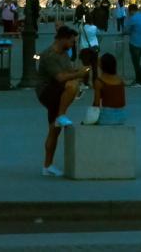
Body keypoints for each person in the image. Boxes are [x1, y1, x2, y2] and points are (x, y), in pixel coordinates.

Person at [36, 26, 90, 176]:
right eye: (72, 42)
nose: (73, 45)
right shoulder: (50, 55)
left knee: (54, 130)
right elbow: (60, 77)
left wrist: (81, 71)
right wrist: (77, 74)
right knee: (72, 85)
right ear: (63, 39)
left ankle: (47, 165)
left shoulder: (64, 54)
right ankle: (61, 115)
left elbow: (69, 71)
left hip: (56, 90)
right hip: (47, 91)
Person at [92, 53, 127, 125]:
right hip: (122, 115)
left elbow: (96, 104)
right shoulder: (120, 80)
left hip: (107, 115)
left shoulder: (99, 81)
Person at [123, 3, 141, 86]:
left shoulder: (133, 18)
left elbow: (125, 30)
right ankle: (139, 80)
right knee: (137, 62)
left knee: (136, 63)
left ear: (131, 10)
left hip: (134, 42)